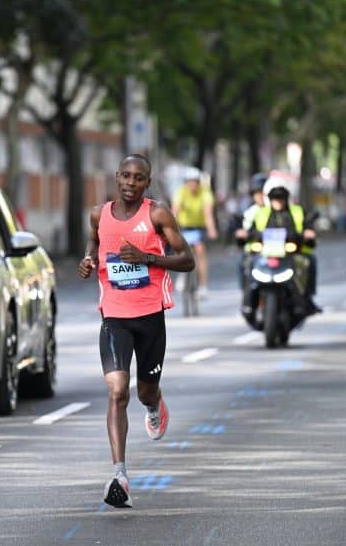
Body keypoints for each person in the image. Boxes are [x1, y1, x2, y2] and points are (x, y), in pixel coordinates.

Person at [77, 153, 195, 508]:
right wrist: (88, 259)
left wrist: (148, 258)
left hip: (150, 317)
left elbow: (186, 259)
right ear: (117, 177)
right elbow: (95, 242)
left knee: (144, 391)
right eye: (125, 176)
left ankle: (155, 404)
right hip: (113, 316)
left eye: (138, 177)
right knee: (117, 392)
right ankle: (120, 474)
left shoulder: (156, 214)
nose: (130, 182)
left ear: (148, 182)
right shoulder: (99, 213)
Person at [241, 182, 318, 317]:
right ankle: (248, 301)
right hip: (266, 254)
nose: (278, 202)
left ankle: (307, 299)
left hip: (292, 253)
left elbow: (307, 226)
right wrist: (245, 234)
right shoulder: (262, 213)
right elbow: (251, 231)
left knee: (310, 262)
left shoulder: (297, 211)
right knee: (247, 263)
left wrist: (308, 233)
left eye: (281, 199)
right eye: (275, 199)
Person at [171, 168, 217, 296]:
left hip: (199, 227)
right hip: (184, 226)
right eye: (189, 182)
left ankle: (203, 286)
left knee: (200, 251)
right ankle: (182, 275)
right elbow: (175, 211)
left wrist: (212, 230)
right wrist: (170, 229)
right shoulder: (180, 192)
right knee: (181, 250)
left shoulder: (205, 193)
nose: (192, 185)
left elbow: (208, 214)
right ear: (186, 183)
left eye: (195, 182)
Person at [234, 173, 267, 288]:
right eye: (257, 193)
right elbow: (244, 231)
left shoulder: (276, 210)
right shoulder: (249, 212)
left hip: (275, 251)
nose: (260, 196)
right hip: (254, 251)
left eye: (263, 193)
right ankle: (247, 299)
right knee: (243, 264)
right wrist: (241, 234)